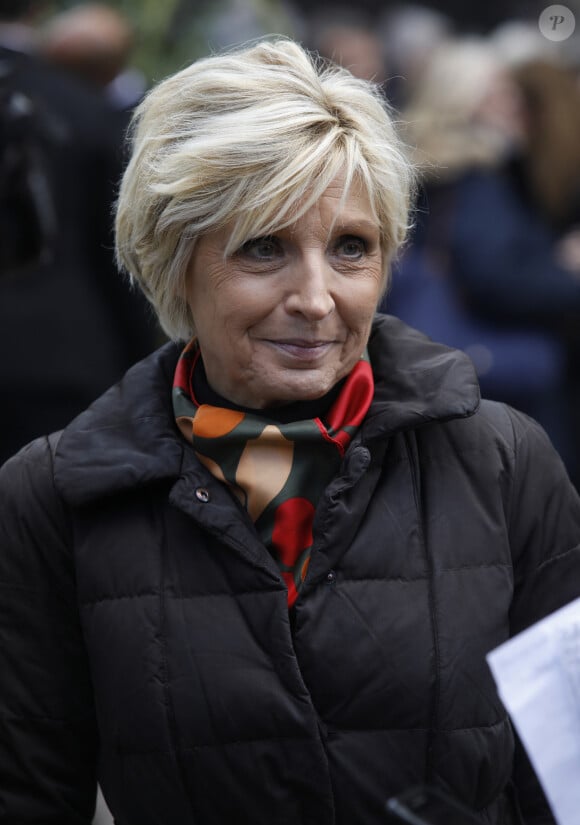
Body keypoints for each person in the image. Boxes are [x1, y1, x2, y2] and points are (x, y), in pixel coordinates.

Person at [1, 37, 579, 825]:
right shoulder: (52, 498)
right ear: (176, 260)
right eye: (264, 247)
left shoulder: (503, 461)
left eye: (351, 247)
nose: (316, 297)